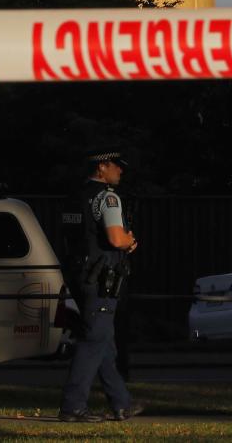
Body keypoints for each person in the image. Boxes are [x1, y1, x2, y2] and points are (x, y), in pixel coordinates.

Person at [58, 149, 144, 423]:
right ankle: (73, 406)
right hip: (101, 278)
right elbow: (116, 238)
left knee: (103, 341)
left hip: (79, 274)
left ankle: (122, 403)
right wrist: (130, 241)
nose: (121, 171)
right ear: (102, 167)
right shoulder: (107, 197)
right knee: (94, 339)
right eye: (116, 166)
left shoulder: (75, 197)